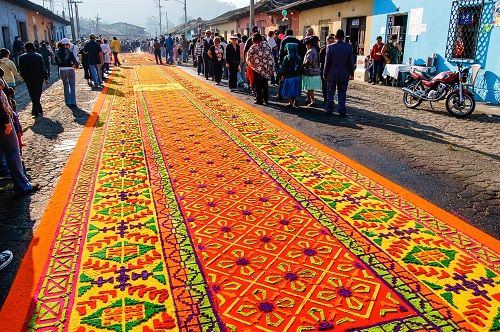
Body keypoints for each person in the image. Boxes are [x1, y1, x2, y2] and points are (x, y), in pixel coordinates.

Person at [0, 67, 39, 194]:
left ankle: (5, 170)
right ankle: (23, 185)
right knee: (12, 151)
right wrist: (6, 121)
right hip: (2, 122)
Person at [323, 29, 354, 117]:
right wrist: (352, 73)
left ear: (335, 37)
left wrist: (325, 73)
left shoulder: (330, 47)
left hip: (332, 73)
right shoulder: (348, 47)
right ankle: (341, 111)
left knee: (330, 92)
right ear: (343, 37)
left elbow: (327, 62)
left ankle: (329, 109)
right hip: (344, 73)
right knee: (342, 93)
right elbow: (351, 62)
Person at [19, 42, 48, 117]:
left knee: (32, 94)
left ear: (26, 48)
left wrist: (23, 77)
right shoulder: (38, 56)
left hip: (28, 78)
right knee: (37, 93)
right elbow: (42, 68)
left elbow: (21, 69)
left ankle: (37, 109)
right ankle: (36, 110)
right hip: (39, 78)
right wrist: (46, 77)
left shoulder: (22, 57)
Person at [246, 33, 274, 105]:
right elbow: (271, 56)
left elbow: (248, 58)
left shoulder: (253, 47)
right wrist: (270, 67)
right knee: (265, 85)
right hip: (266, 69)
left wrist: (251, 64)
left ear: (253, 40)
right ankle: (266, 100)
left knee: (258, 85)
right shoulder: (267, 46)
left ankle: (259, 100)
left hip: (257, 69)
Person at [55, 38, 79, 107]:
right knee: (72, 85)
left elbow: (56, 62)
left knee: (65, 85)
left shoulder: (56, 52)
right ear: (66, 45)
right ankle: (73, 102)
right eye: (68, 45)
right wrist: (75, 66)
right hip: (70, 69)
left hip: (61, 70)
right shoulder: (69, 52)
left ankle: (67, 101)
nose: (69, 46)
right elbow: (75, 62)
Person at [279, 43, 302, 107]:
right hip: (297, 77)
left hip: (288, 77)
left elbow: (283, 68)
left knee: (289, 90)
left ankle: (290, 102)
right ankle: (295, 100)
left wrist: (282, 75)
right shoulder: (298, 57)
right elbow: (300, 67)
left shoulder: (286, 58)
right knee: (295, 89)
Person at [302, 38, 322, 107]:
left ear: (309, 44)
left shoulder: (310, 51)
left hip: (309, 71)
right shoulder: (315, 50)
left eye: (306, 45)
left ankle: (313, 101)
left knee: (310, 88)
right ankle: (308, 98)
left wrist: (302, 65)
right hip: (315, 71)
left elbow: (308, 61)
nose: (305, 46)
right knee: (310, 87)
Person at [320, 34, 335, 103]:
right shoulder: (323, 49)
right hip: (324, 69)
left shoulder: (335, 49)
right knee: (325, 86)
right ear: (327, 41)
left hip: (333, 70)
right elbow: (321, 61)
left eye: (332, 42)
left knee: (332, 86)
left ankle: (331, 99)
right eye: (330, 42)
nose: (331, 43)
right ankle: (326, 98)